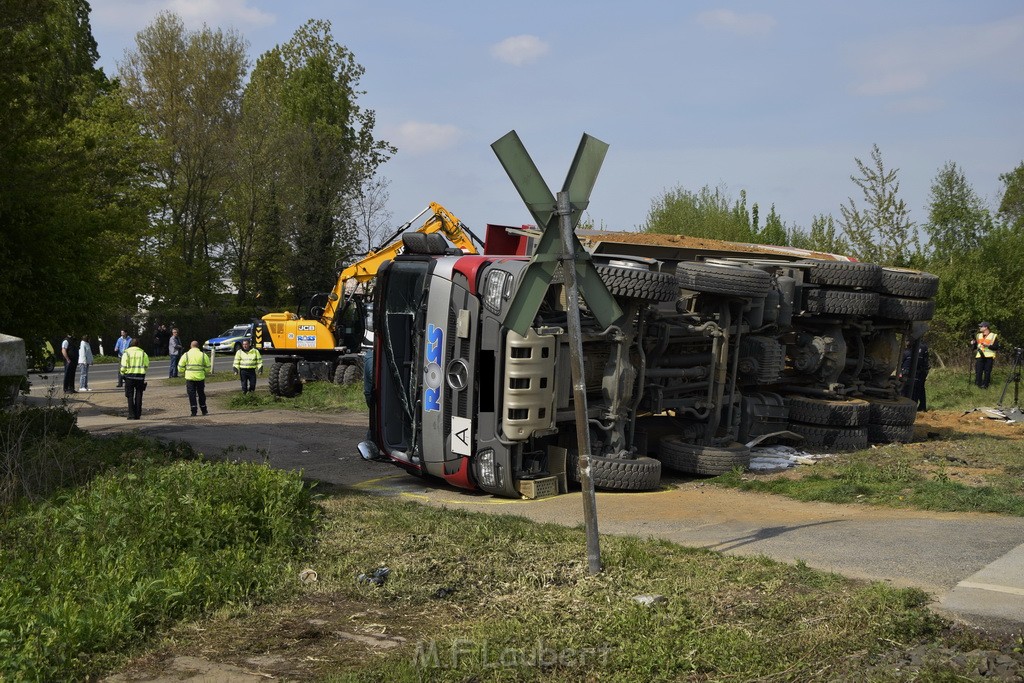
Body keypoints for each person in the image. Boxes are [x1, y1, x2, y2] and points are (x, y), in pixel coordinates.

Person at [357, 301, 383, 461]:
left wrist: (370, 398)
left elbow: (368, 388)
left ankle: (372, 442)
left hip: (374, 395)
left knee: (374, 417)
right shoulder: (372, 357)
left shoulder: (370, 357)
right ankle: (372, 442)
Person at [178, 340, 211, 416]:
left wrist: (184, 371)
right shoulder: (203, 355)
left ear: (191, 346)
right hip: (200, 377)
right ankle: (204, 410)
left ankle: (194, 411)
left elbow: (180, 367)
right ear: (198, 346)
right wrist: (203, 371)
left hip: (190, 378)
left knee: (191, 395)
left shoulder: (186, 355)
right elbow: (208, 367)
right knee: (201, 394)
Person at [120, 339, 150, 419]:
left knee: (130, 396)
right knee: (139, 395)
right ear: (138, 344)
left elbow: (123, 366)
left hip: (129, 376)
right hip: (140, 377)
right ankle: (138, 414)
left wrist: (123, 373)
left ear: (130, 344)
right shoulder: (143, 353)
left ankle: (131, 414)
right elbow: (146, 365)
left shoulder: (126, 353)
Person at [899, 338, 930, 411]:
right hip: (919, 371)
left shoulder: (908, 352)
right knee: (918, 388)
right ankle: (919, 406)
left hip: (917, 371)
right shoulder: (922, 347)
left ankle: (914, 406)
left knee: (910, 389)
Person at [971, 321, 999, 389]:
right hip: (979, 355)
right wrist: (973, 343)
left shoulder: (993, 335)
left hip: (989, 356)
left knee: (987, 372)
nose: (979, 327)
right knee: (978, 371)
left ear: (986, 327)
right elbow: (975, 347)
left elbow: (996, 347)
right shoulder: (978, 335)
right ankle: (978, 385)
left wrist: (988, 345)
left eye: (981, 326)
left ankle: (985, 385)